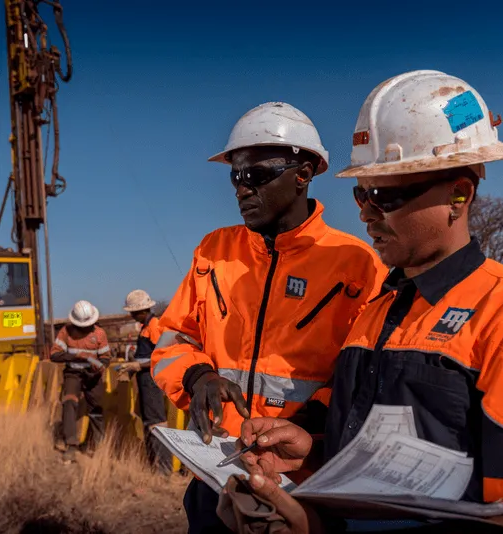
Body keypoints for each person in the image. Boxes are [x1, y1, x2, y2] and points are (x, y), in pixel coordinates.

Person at [231, 70, 503, 533]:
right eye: (360, 194)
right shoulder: (376, 314)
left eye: (384, 195)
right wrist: (313, 448)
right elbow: (379, 460)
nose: (366, 214)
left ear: (459, 194)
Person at [151, 101, 388, 533]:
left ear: (303, 175)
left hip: (307, 480)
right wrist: (197, 377)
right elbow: (172, 338)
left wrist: (304, 429)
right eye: (235, 176)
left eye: (257, 175)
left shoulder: (356, 264)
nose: (242, 189)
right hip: (219, 471)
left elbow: (365, 375)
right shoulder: (213, 252)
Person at [116, 289, 171, 472]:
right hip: (145, 380)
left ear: (141, 311)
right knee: (149, 423)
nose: (131, 315)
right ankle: (154, 466)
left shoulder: (154, 326)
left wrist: (138, 366)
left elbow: (162, 357)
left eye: (132, 312)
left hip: (152, 381)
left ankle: (163, 469)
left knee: (157, 423)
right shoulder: (145, 328)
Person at [50, 299, 111, 463]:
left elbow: (106, 358)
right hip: (73, 373)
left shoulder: (99, 334)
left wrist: (100, 367)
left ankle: (98, 445)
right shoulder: (66, 332)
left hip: (93, 375)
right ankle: (71, 445)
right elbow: (54, 355)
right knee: (69, 403)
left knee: (96, 408)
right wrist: (75, 356)